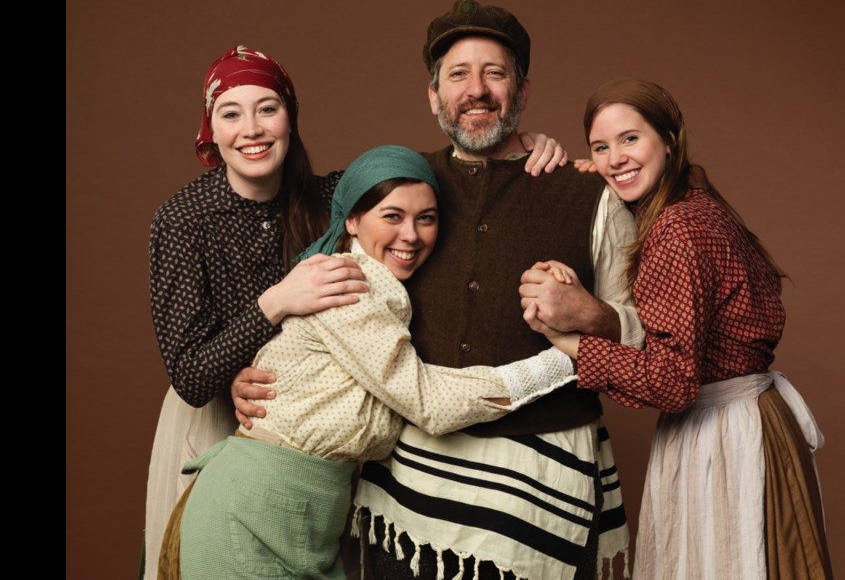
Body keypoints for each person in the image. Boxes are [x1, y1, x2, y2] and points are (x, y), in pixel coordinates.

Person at [143, 46, 566, 580]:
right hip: (220, 414)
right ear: (211, 128)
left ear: (291, 118)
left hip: (317, 448)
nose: (251, 129)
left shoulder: (328, 196)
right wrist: (277, 303)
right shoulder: (183, 220)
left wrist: (525, 151)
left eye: (267, 108)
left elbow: (406, 182)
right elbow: (189, 375)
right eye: (231, 113)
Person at [347, 0, 645, 580]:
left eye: (495, 73)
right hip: (409, 488)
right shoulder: (399, 185)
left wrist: (595, 315)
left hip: (541, 491)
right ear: (433, 96)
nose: (476, 90)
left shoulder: (589, 194)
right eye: (458, 75)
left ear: (523, 90)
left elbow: (642, 336)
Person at [523, 78, 833, 579]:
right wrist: (595, 181)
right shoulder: (696, 205)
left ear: (668, 138)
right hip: (755, 419)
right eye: (600, 147)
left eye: (630, 139)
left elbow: (673, 381)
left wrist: (574, 344)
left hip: (724, 436)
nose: (615, 157)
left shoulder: (677, 228)